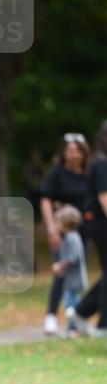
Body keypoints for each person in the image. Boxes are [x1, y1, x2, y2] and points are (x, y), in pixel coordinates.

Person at [39, 133, 90, 335]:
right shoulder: (57, 174)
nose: (73, 155)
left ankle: (76, 318)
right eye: (69, 151)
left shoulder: (89, 174)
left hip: (85, 231)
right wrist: (52, 227)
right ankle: (52, 314)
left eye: (77, 151)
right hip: (63, 232)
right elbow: (46, 199)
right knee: (61, 273)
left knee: (76, 273)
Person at [75, 121, 107, 335]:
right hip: (99, 222)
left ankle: (81, 312)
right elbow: (104, 198)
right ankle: (103, 324)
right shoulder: (101, 164)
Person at [50, 205, 88, 335]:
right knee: (72, 303)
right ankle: (75, 328)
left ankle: (74, 329)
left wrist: (59, 265)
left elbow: (72, 257)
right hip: (70, 280)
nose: (57, 225)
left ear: (65, 223)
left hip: (74, 281)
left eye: (58, 222)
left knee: (70, 305)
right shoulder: (70, 237)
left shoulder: (72, 238)